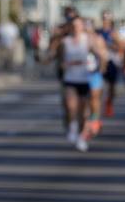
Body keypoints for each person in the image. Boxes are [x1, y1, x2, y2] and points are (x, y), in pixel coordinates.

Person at [47, 14, 110, 152]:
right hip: (70, 79)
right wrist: (61, 64)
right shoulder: (65, 42)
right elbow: (58, 57)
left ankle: (81, 138)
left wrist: (101, 66)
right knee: (70, 106)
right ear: (70, 27)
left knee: (83, 113)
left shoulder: (87, 41)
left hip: (84, 79)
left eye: (78, 25)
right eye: (73, 26)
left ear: (82, 27)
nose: (76, 28)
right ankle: (73, 128)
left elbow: (100, 54)